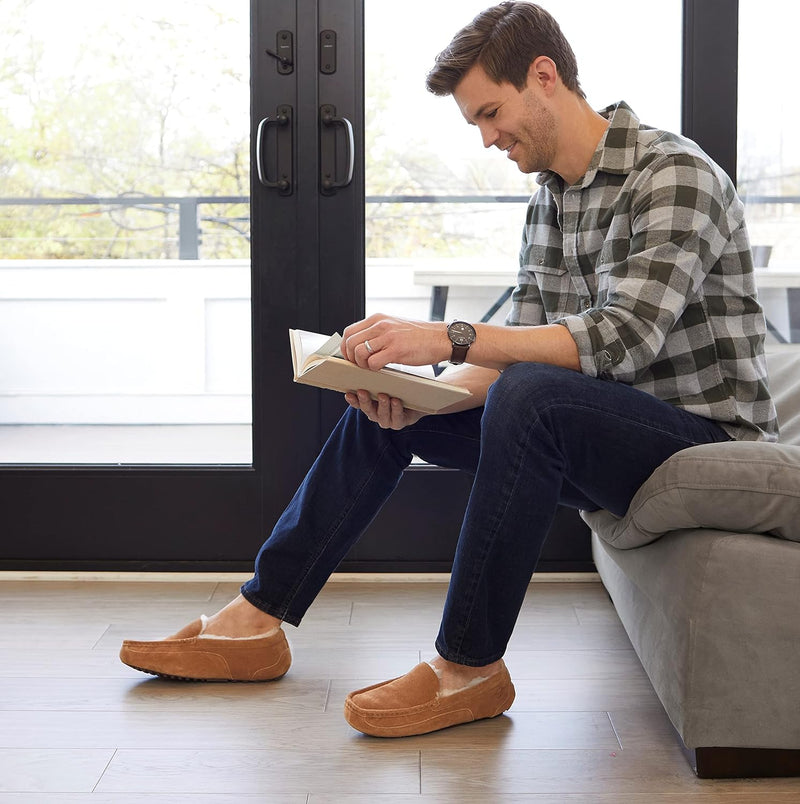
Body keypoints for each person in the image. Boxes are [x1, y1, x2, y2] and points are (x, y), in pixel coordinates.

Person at [120, 1, 778, 738]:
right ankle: (257, 616)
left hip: (703, 441)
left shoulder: (673, 175)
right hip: (588, 427)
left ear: (544, 75)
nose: (489, 137)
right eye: (476, 124)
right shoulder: (550, 205)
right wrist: (423, 398)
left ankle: (470, 667)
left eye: (491, 114)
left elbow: (617, 341)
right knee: (384, 410)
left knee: (532, 396)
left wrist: (444, 336)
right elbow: (526, 352)